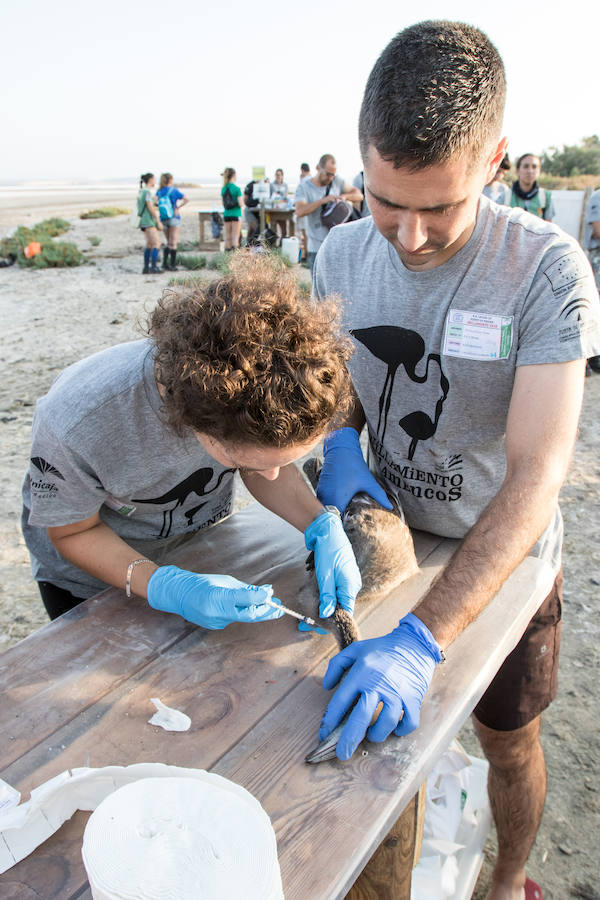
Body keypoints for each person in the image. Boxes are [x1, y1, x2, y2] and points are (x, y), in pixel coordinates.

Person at [311, 21, 600, 900]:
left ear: (497, 160)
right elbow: (338, 393)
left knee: (507, 740)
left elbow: (537, 475)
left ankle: (510, 879)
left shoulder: (547, 272)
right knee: (370, 749)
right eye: (386, 200)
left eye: (438, 208)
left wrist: (426, 639)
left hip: (500, 554)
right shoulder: (339, 250)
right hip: (388, 541)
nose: (407, 236)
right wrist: (337, 448)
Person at [21, 254, 361, 632]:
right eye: (246, 460)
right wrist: (167, 587)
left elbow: (264, 464)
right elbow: (72, 532)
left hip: (198, 552)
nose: (273, 474)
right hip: (92, 583)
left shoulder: (249, 414)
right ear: (197, 422)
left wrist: (319, 523)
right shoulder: (78, 423)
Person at [294, 155, 362, 273]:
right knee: (319, 290)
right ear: (318, 168)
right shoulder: (304, 187)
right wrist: (322, 201)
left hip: (337, 247)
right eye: (328, 174)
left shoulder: (337, 181)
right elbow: (299, 211)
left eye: (333, 174)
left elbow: (359, 195)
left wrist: (344, 196)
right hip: (316, 248)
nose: (330, 178)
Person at [157, 173, 188, 271]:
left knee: (168, 242)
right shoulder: (174, 190)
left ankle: (165, 264)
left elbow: (155, 202)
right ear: (170, 180)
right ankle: (172, 265)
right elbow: (186, 199)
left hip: (163, 218)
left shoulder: (160, 191)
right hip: (174, 217)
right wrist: (177, 208)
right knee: (173, 243)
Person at [510, 154, 555, 220]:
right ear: (517, 171)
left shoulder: (546, 197)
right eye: (526, 166)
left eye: (534, 167)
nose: (530, 171)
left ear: (539, 171)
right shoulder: (505, 197)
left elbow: (548, 226)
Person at [584, 187, 600, 372]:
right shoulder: (597, 197)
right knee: (592, 310)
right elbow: (597, 229)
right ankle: (590, 359)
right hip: (597, 258)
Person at [137, 173, 163, 274]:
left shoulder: (141, 191)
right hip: (148, 221)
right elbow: (150, 207)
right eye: (154, 179)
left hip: (143, 221)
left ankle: (146, 267)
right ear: (150, 180)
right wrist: (157, 220)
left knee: (149, 244)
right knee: (157, 243)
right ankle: (153, 267)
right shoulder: (147, 192)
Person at [221, 168, 243, 251]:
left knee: (228, 237)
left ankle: (226, 258)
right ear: (234, 175)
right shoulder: (237, 189)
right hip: (236, 214)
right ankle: (234, 260)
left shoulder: (224, 188)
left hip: (227, 214)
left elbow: (223, 204)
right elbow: (241, 204)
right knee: (235, 237)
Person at [270, 168, 289, 240]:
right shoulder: (272, 185)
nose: (278, 176)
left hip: (282, 209)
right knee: (273, 229)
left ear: (282, 175)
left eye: (279, 175)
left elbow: (285, 196)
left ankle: (282, 244)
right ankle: (273, 245)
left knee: (284, 229)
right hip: (273, 209)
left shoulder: (285, 185)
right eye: (276, 175)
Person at [297, 163, 311, 263]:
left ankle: (306, 254)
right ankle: (307, 253)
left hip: (304, 210)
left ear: (302, 170)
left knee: (305, 234)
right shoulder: (312, 180)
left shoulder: (303, 181)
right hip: (311, 210)